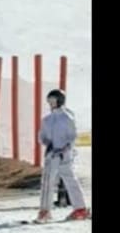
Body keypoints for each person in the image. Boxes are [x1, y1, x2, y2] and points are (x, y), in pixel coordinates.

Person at [35, 89, 90, 222]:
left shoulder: (67, 117)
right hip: (52, 154)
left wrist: (66, 148)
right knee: (48, 182)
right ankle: (46, 210)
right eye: (49, 101)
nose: (51, 103)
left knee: (70, 180)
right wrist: (47, 143)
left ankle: (80, 209)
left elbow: (73, 136)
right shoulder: (47, 119)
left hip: (64, 154)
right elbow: (41, 137)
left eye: (53, 100)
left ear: (60, 100)